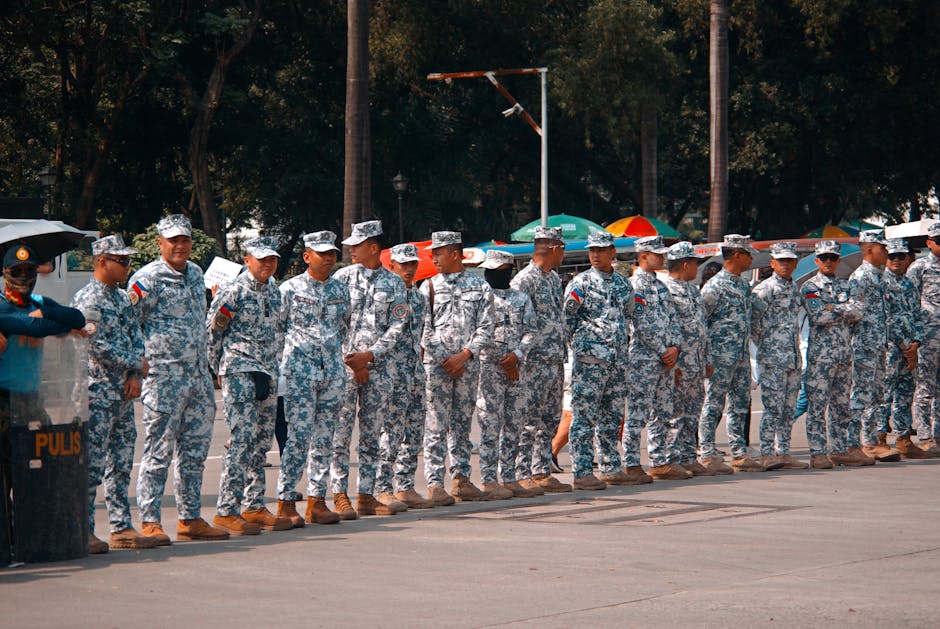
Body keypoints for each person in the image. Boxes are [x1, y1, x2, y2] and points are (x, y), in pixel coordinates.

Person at [129, 214, 228, 544]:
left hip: (198, 378)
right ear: (160, 243)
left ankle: (190, 518)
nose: (180, 246)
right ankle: (150, 520)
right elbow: (130, 324)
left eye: (184, 240)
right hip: (164, 379)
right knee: (158, 453)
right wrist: (138, 366)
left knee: (195, 453)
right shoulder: (147, 279)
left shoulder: (196, 273)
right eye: (173, 240)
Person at [71, 235, 156, 553]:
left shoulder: (122, 298)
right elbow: (95, 345)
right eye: (121, 261)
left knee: (121, 462)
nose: (126, 266)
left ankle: (121, 527)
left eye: (128, 260)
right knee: (91, 464)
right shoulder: (88, 299)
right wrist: (135, 363)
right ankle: (83, 529)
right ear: (101, 261)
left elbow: (137, 336)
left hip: (122, 392)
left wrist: (134, 374)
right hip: (96, 392)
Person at [0, 244, 86, 551]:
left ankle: (33, 536)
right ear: (5, 273)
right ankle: (7, 539)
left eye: (30, 270)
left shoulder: (40, 302)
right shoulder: (1, 306)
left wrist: (47, 312)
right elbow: (30, 326)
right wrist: (49, 322)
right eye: (17, 271)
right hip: (4, 400)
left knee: (42, 470)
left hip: (33, 399)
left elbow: (77, 317)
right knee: (6, 472)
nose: (24, 276)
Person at [208, 237, 291, 535]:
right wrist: (218, 369)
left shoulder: (275, 292)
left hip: (268, 372)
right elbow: (213, 331)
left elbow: (279, 331)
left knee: (262, 441)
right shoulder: (234, 291)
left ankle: (254, 505)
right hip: (239, 370)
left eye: (272, 259)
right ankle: (226, 509)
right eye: (262, 259)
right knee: (242, 439)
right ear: (247, 260)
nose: (268, 264)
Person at [331, 220, 408, 518]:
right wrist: (352, 359)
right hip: (345, 368)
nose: (351, 249)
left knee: (372, 435)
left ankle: (366, 494)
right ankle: (339, 494)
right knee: (340, 434)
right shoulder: (342, 279)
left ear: (373, 248)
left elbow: (398, 326)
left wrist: (370, 355)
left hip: (380, 368)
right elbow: (333, 324)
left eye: (357, 245)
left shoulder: (394, 283)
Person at [276, 231, 348, 526]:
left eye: (332, 253)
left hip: (331, 372)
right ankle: (286, 500)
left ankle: (317, 501)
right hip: (300, 374)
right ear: (307, 257)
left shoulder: (340, 290)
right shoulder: (289, 289)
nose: (329, 258)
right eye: (322, 253)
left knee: (324, 438)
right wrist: (283, 365)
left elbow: (344, 326)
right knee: (297, 437)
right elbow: (277, 329)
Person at [421, 231, 494, 504]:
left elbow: (486, 326)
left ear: (454, 254)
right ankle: (434, 483)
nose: (434, 259)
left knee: (463, 424)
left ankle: (461, 478)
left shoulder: (480, 287)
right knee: (436, 424)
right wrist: (446, 358)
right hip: (437, 367)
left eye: (438, 253)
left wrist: (464, 355)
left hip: (467, 366)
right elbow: (424, 329)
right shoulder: (428, 287)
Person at [562, 231, 635, 490]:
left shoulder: (624, 284)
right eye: (592, 249)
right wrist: (580, 349)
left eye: (601, 250)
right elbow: (567, 321)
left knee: (612, 416)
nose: (595, 254)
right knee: (584, 417)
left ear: (612, 252)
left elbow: (628, 315)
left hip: (617, 360)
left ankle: (610, 467)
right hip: (590, 361)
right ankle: (582, 471)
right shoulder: (580, 283)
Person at [509, 226, 572, 494]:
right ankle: (522, 473)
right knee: (528, 420)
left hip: (554, 360)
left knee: (550, 418)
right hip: (532, 362)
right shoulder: (524, 280)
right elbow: (514, 323)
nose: (563, 254)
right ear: (555, 249)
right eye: (563, 249)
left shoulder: (553, 278)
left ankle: (541, 470)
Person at [699, 234, 768, 472]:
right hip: (719, 357)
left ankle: (739, 452)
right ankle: (707, 452)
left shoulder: (743, 285)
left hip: (740, 356)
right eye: (748, 255)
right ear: (737, 255)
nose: (751, 260)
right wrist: (707, 358)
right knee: (713, 404)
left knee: (740, 404)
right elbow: (702, 324)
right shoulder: (714, 286)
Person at [374, 243, 434, 509]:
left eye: (413, 264)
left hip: (415, 373)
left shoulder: (419, 298)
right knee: (390, 432)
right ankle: (382, 487)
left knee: (413, 431)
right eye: (404, 264)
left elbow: (423, 335)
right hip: (391, 373)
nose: (409, 269)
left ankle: (405, 486)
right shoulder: (384, 295)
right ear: (392, 266)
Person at [475, 250, 538, 499]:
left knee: (514, 424)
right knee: (490, 425)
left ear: (509, 271)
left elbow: (531, 331)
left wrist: (517, 355)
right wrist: (503, 360)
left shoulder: (521, 299)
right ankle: (489, 479)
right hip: (489, 370)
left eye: (497, 271)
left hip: (517, 371)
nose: (491, 275)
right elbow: (477, 333)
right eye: (489, 270)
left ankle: (509, 477)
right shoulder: (481, 298)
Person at [625, 236, 686, 481]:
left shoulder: (661, 286)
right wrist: (663, 350)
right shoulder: (633, 286)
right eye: (657, 254)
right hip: (643, 358)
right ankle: (631, 462)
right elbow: (639, 324)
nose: (662, 258)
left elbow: (673, 319)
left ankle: (659, 461)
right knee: (638, 412)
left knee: (662, 411)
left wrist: (675, 347)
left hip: (665, 359)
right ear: (643, 256)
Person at [802, 240, 866, 467]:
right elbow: (819, 316)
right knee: (818, 406)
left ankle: (839, 449)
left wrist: (833, 307)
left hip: (844, 355)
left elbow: (858, 312)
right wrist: (844, 310)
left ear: (838, 261)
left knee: (841, 406)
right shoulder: (810, 287)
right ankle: (818, 452)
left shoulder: (846, 285)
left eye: (833, 258)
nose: (828, 261)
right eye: (824, 258)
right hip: (821, 357)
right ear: (816, 261)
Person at [749, 242, 806, 470]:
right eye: (781, 261)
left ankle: (783, 452)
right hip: (773, 358)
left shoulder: (794, 288)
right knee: (772, 408)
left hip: (793, 357)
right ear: (772, 263)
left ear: (796, 263)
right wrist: (767, 345)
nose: (785, 265)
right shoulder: (764, 290)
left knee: (789, 408)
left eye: (789, 261)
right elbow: (753, 324)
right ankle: (766, 452)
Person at [844, 229, 900, 462]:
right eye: (882, 248)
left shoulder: (881, 276)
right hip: (863, 345)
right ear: (868, 249)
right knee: (860, 395)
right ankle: (851, 444)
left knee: (876, 395)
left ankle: (870, 442)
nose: (886, 252)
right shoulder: (860, 277)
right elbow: (853, 313)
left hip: (879, 345)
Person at [662, 242, 715, 477]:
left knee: (693, 413)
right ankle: (670, 459)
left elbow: (702, 328)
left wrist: (707, 359)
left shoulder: (693, 291)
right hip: (679, 364)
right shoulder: (666, 291)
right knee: (675, 414)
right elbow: (666, 329)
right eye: (695, 263)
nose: (697, 268)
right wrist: (672, 365)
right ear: (685, 264)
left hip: (696, 362)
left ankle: (688, 457)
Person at [881, 239, 931, 459]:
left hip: (910, 347)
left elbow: (918, 315)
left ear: (908, 258)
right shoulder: (881, 282)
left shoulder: (910, 284)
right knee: (885, 393)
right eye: (892, 256)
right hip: (890, 348)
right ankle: (879, 438)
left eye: (901, 256)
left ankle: (903, 439)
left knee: (905, 393)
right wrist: (905, 347)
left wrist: (916, 342)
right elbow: (886, 319)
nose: (896, 260)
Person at [905, 223, 940, 456]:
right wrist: (914, 338)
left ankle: (938, 433)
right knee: (925, 387)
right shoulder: (920, 267)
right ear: (929, 243)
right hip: (927, 337)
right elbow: (909, 303)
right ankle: (925, 436)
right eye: (939, 240)